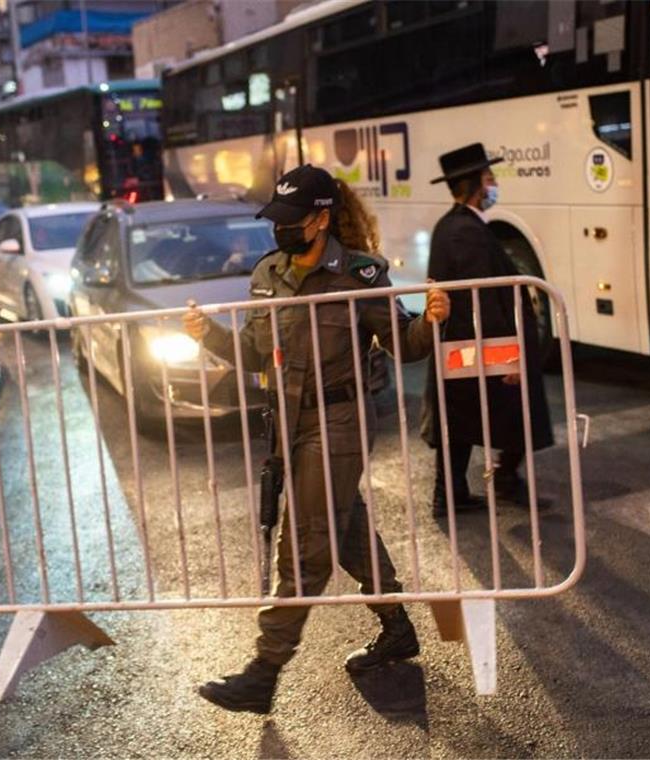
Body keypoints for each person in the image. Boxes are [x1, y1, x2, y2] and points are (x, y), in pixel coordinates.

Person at [183, 164, 450, 714]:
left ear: (322, 218)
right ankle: (397, 628)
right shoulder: (268, 274)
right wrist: (208, 334)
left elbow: (404, 345)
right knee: (344, 525)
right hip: (290, 423)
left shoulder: (362, 274)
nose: (279, 229)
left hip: (339, 422)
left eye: (290, 218)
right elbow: (255, 353)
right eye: (275, 218)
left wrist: (432, 321)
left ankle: (264, 671)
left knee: (304, 548)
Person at [421, 143, 554, 517]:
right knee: (515, 411)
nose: (494, 184)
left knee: (461, 418)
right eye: (489, 177)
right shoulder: (465, 231)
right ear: (475, 185)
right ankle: (499, 479)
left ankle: (452, 493)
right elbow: (483, 299)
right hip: (478, 346)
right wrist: (510, 356)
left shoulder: (454, 225)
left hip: (463, 346)